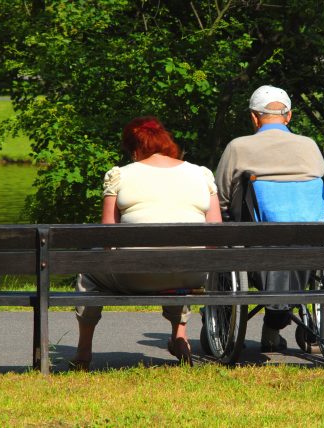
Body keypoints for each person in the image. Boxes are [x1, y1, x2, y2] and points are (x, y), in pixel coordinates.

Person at [72, 116, 222, 369]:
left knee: (88, 271)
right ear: (166, 141)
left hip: (133, 275)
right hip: (192, 276)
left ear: (133, 148)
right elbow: (215, 238)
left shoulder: (119, 176)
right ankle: (179, 337)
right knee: (182, 257)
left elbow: (107, 238)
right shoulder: (201, 174)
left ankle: (84, 351)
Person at [215, 85, 324, 352]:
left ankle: (223, 325)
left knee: (223, 231)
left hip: (257, 247)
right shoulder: (309, 146)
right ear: (288, 116)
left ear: (254, 118)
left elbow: (220, 198)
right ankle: (281, 328)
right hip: (307, 246)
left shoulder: (238, 147)